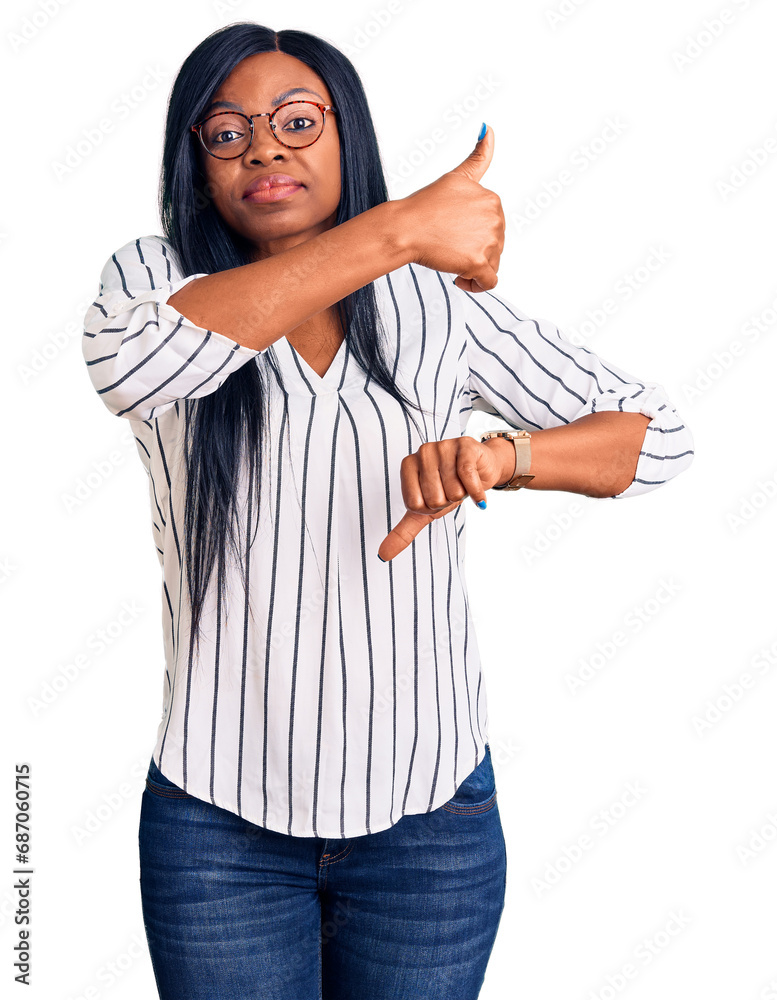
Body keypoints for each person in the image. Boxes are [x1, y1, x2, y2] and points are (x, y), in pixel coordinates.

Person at [80, 22, 694, 1000]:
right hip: (217, 828)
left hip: (428, 827)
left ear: (345, 135)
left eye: (295, 121)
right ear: (196, 164)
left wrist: (505, 455)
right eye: (227, 132)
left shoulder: (432, 309)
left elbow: (658, 435)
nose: (265, 148)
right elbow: (134, 367)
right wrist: (399, 227)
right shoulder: (155, 286)